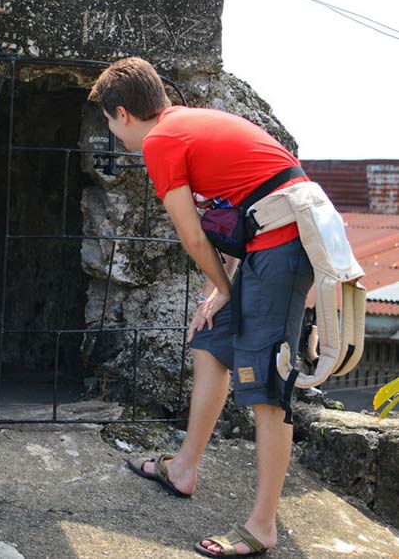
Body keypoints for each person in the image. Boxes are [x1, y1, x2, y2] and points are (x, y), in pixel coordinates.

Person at [88, 57, 314, 558]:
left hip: (283, 250)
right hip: (267, 245)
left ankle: (262, 527)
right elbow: (254, 200)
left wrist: (224, 286)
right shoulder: (187, 123)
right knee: (210, 340)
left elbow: (192, 235)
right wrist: (222, 288)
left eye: (107, 120)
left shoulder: (162, 141)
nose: (111, 129)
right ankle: (184, 467)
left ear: (122, 114)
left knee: (267, 385)